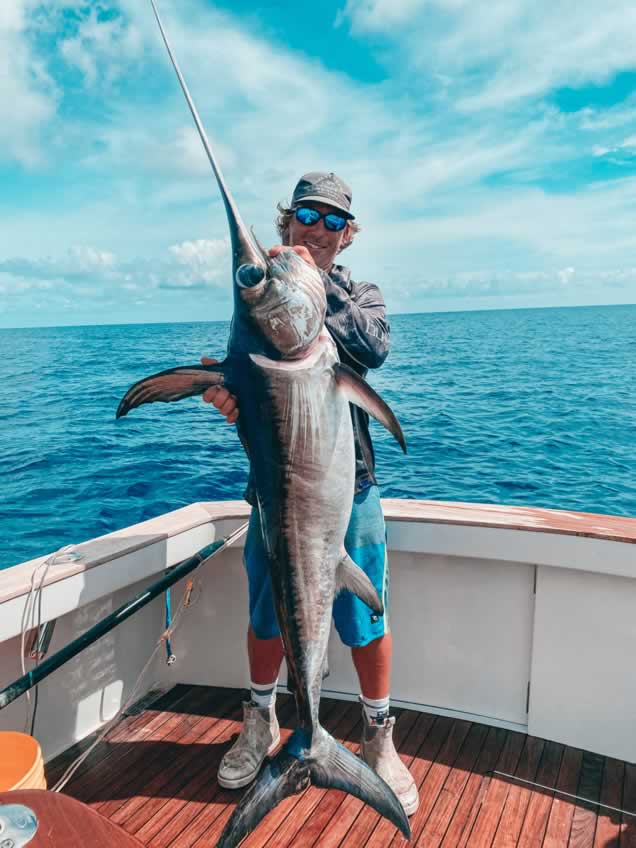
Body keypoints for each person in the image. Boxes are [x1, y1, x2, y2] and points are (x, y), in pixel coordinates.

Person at [201, 172, 418, 817]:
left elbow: (372, 349)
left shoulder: (359, 296)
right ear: (287, 222)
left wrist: (309, 289)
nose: (318, 229)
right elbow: (242, 379)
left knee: (365, 615)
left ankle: (377, 738)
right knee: (267, 614)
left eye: (333, 220)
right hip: (273, 494)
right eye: (307, 216)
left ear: (347, 235)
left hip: (351, 491)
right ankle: (264, 719)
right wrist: (224, 395)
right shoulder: (263, 304)